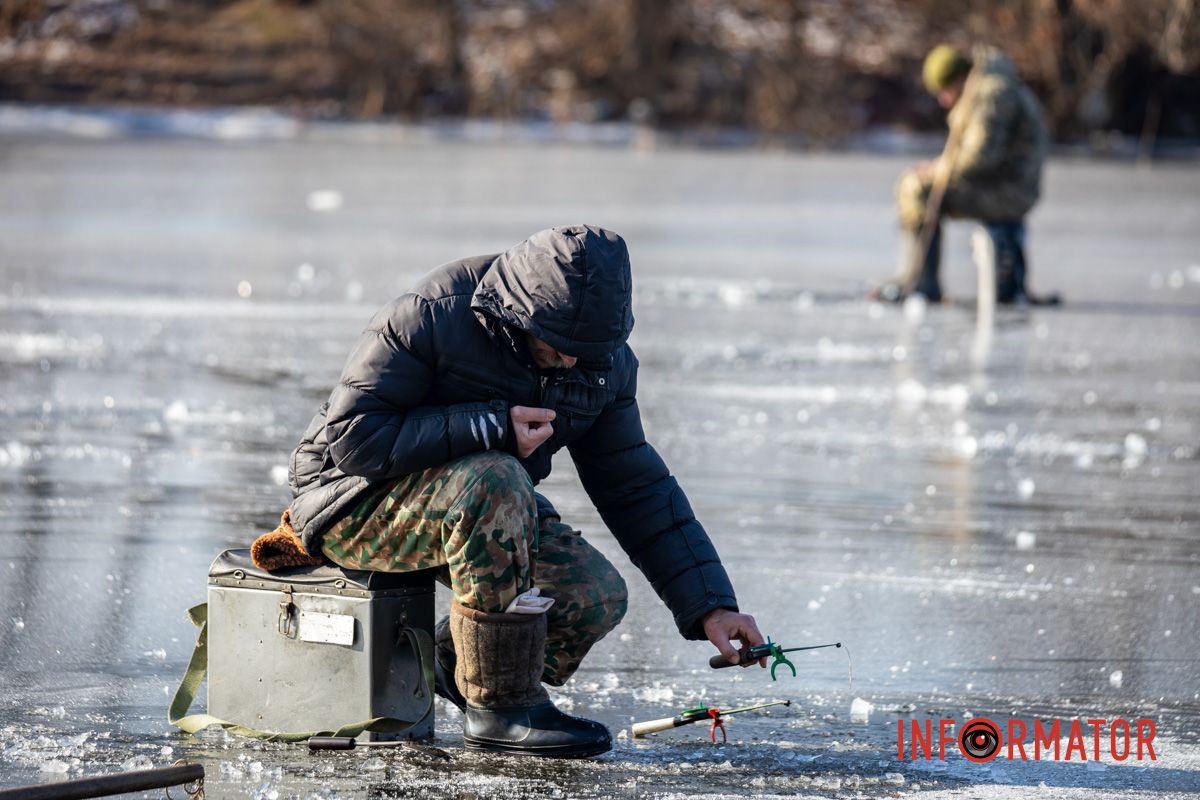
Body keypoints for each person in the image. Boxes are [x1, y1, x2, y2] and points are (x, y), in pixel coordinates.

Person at [269, 225, 765, 758]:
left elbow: (635, 486)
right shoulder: (431, 314)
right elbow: (354, 440)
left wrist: (711, 605)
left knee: (591, 595)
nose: (575, 361)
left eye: (590, 350)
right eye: (563, 346)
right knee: (497, 477)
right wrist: (492, 425)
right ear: (521, 315)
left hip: (479, 503)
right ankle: (500, 708)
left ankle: (450, 664)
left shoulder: (603, 362)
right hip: (352, 499)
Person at [872, 44, 1048, 304]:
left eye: (944, 91)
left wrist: (936, 170)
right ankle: (918, 277)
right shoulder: (989, 85)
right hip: (1007, 185)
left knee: (916, 188)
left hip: (1007, 192)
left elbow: (979, 158)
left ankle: (921, 283)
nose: (943, 101)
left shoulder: (990, 94)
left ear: (956, 79)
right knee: (919, 182)